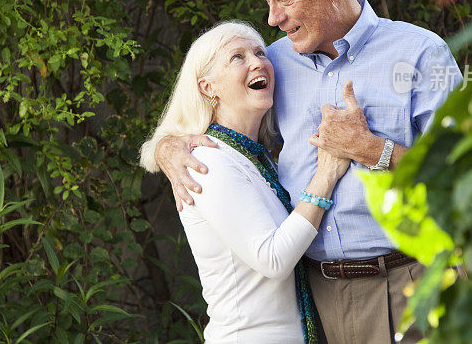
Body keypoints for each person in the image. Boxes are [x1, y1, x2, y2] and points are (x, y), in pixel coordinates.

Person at [142, 0, 461, 344]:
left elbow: (465, 173)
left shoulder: (421, 52)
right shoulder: (272, 65)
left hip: (405, 282)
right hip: (313, 301)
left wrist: (372, 149)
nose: (273, 18)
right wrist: (167, 147)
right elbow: (218, 122)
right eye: (268, 2)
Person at [140, 21, 351, 343]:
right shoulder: (206, 161)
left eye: (260, 52)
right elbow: (273, 258)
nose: (257, 62)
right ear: (208, 87)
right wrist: (326, 175)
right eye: (237, 57)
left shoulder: (255, 158)